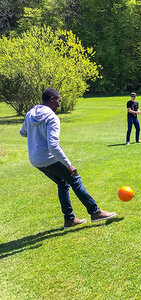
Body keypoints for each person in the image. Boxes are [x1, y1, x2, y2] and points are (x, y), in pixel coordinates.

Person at [20, 88, 116, 229]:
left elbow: (22, 133)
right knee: (75, 180)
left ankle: (69, 220)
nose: (59, 104)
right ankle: (95, 212)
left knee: (63, 184)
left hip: (35, 160)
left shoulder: (30, 114)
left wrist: (36, 135)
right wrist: (68, 164)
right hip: (48, 158)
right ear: (52, 99)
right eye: (58, 101)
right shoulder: (52, 117)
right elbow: (53, 146)